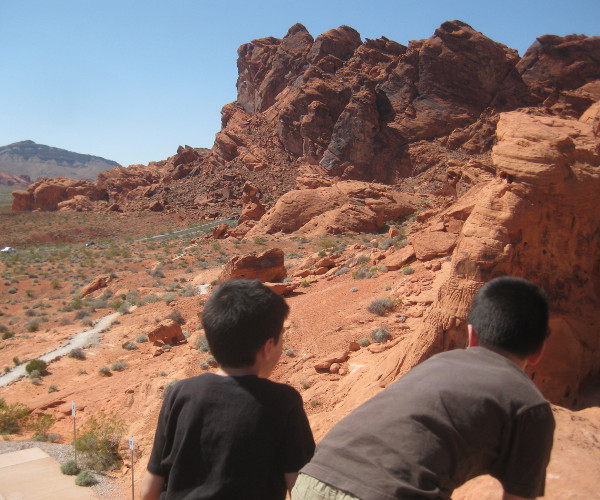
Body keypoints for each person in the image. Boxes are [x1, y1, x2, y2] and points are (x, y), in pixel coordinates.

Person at [293, 276, 555, 500]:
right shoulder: (530, 406)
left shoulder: (439, 362)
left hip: (312, 480)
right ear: (539, 351)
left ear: (472, 334)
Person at [141, 279, 315, 500]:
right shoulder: (283, 403)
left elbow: (148, 491)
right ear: (268, 347)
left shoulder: (180, 394)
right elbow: (303, 491)